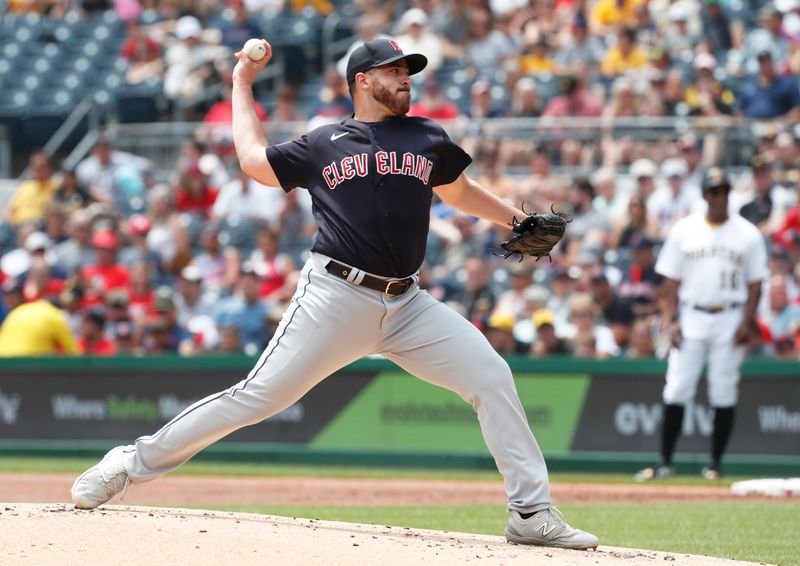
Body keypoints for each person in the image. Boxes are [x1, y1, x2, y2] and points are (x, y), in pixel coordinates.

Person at [70, 37, 598, 551]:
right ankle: (127, 464)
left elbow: (457, 190)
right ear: (362, 81)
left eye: (407, 71)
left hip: (409, 304)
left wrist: (516, 218)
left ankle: (530, 513)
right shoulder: (323, 142)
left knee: (491, 376)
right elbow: (254, 159)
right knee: (255, 399)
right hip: (335, 296)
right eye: (394, 71)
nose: (405, 79)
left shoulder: (426, 137)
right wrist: (240, 83)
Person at [635, 168, 768, 482]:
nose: (719, 197)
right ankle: (665, 461)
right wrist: (670, 320)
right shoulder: (686, 229)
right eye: (714, 191)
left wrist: (747, 322)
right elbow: (670, 281)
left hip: (730, 315)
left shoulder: (747, 232)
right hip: (691, 314)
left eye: (723, 191)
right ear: (705, 195)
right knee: (678, 387)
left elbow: (755, 284)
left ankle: (715, 464)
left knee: (723, 390)